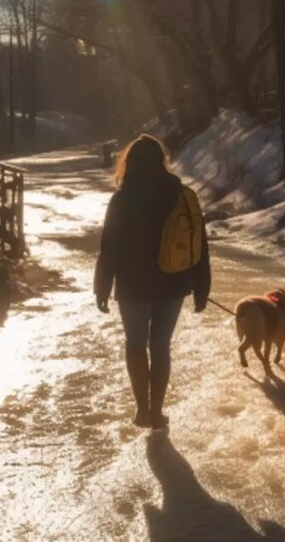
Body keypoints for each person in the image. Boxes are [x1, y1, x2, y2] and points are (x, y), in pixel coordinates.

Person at [94, 134, 211, 430]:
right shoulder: (182, 194)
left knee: (135, 345)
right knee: (160, 346)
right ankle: (156, 412)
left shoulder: (122, 199)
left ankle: (142, 410)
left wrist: (102, 287)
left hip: (133, 285)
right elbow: (198, 242)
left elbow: (109, 247)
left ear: (129, 162)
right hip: (173, 283)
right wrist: (201, 285)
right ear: (162, 161)